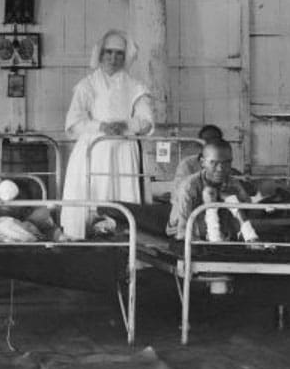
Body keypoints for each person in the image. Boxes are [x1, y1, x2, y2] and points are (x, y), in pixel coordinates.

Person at [60, 30, 155, 239]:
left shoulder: (135, 87)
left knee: (123, 195)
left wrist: (126, 124)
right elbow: (73, 122)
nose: (113, 58)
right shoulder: (87, 85)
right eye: (109, 52)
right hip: (94, 151)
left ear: (126, 56)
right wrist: (100, 127)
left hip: (124, 151)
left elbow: (146, 121)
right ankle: (86, 236)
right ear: (100, 54)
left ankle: (125, 238)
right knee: (93, 193)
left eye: (119, 54)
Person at [166, 140, 262, 242]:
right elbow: (183, 231)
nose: (220, 168)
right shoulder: (189, 186)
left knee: (233, 203)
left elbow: (247, 213)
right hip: (184, 233)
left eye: (227, 163)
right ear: (203, 163)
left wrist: (233, 200)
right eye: (213, 163)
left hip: (217, 235)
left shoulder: (233, 183)